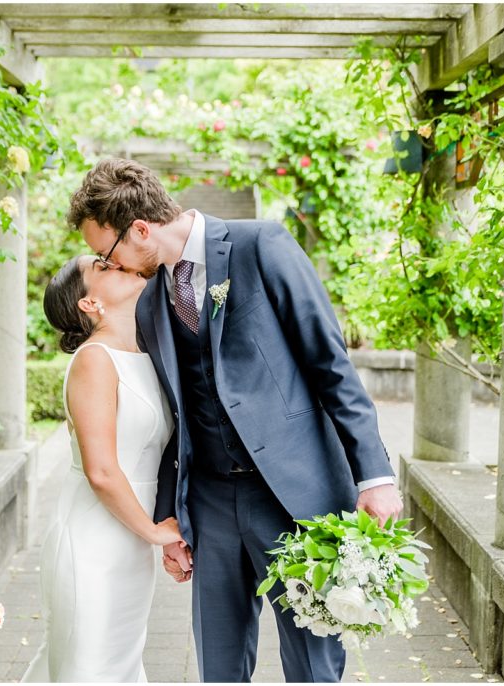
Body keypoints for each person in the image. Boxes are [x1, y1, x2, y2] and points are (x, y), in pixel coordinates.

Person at [68, 158, 404, 683]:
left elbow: (330, 363)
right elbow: (172, 416)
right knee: (219, 668)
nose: (115, 267)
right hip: (209, 503)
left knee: (314, 666)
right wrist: (168, 518)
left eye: (107, 253)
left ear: (139, 230)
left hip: (296, 497)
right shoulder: (153, 297)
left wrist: (375, 477)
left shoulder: (261, 245)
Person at [21, 254, 182, 682]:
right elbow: (102, 472)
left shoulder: (144, 355)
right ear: (89, 305)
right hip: (93, 542)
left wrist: (157, 533)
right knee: (88, 669)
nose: (119, 262)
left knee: (117, 666)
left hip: (128, 543)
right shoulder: (94, 361)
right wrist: (156, 532)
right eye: (102, 267)